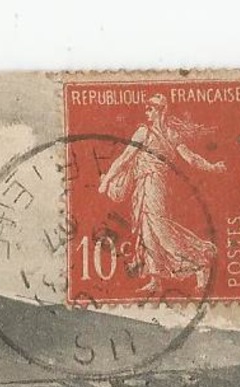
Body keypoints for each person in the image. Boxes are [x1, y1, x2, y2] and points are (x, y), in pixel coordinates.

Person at [96, 92, 227, 297]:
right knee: (145, 230)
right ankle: (154, 280)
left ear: (160, 111)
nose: (147, 111)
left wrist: (212, 167)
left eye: (151, 108)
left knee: (161, 230)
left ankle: (200, 263)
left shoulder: (169, 134)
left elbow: (190, 158)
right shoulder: (143, 132)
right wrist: (107, 180)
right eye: (146, 108)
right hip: (142, 184)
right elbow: (125, 158)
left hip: (156, 183)